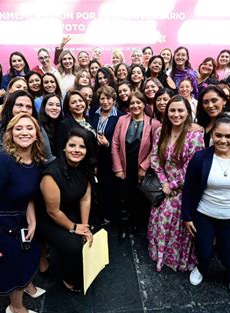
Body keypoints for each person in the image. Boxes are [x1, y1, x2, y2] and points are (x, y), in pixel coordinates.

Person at [0, 113, 46, 313]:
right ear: (10, 133)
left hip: (18, 218)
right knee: (16, 264)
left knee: (31, 254)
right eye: (18, 128)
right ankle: (15, 308)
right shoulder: (3, 161)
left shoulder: (35, 159)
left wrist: (32, 220)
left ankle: (26, 286)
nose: (24, 132)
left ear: (37, 134)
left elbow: (28, 194)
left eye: (29, 128)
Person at [182, 115, 230, 300]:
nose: (223, 140)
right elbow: (189, 189)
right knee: (205, 252)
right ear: (212, 135)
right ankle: (200, 268)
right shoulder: (200, 158)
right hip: (204, 215)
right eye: (218, 135)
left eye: (228, 136)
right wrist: (187, 216)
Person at [148, 95, 204, 272]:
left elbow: (192, 169)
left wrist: (172, 185)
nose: (176, 114)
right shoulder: (161, 131)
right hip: (163, 186)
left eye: (180, 110)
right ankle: (160, 255)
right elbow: (155, 158)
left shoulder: (194, 136)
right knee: (160, 219)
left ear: (188, 113)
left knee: (177, 222)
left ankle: (177, 259)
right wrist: (164, 182)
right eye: (172, 110)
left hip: (183, 189)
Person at [39, 128, 95, 292]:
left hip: (70, 209)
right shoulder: (51, 175)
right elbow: (53, 212)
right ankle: (66, 277)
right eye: (72, 145)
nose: (77, 150)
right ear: (64, 147)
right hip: (50, 218)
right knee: (74, 246)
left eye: (82, 147)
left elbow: (86, 199)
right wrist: (74, 227)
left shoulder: (84, 167)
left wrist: (85, 227)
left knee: (90, 233)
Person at [111, 91, 161, 239]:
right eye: (132, 103)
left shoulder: (154, 123)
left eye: (138, 102)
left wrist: (144, 167)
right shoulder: (122, 120)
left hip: (141, 169)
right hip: (124, 167)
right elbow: (114, 145)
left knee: (138, 200)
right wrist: (118, 168)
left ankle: (136, 226)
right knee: (123, 199)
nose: (135, 105)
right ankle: (124, 227)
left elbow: (156, 149)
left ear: (144, 104)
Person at [0, 90, 54, 164]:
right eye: (19, 105)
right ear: (10, 107)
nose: (24, 110)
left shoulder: (38, 129)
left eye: (28, 107)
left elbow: (48, 159)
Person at [89, 86, 124, 223]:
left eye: (108, 98)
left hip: (111, 158)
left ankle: (111, 216)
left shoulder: (120, 116)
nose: (105, 101)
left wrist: (107, 143)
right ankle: (101, 214)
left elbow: (121, 140)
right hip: (95, 158)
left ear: (114, 100)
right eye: (102, 98)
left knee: (111, 188)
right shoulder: (94, 113)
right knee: (99, 188)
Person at [55, 90, 97, 156]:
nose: (78, 104)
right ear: (68, 107)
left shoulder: (88, 119)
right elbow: (60, 151)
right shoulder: (64, 124)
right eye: (73, 102)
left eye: (80, 101)